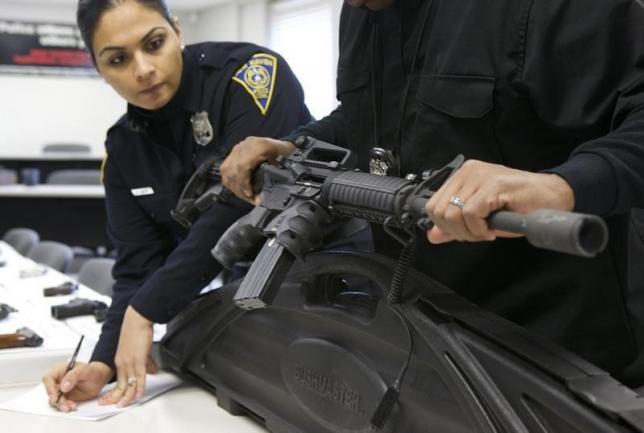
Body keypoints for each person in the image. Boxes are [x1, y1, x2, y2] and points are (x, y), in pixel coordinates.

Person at [221, 0, 644, 386]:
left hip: (565, 354)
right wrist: (298, 143)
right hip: (432, 342)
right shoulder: (361, 13)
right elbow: (369, 119)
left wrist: (559, 186)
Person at [42, 0, 311, 411]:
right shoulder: (123, 151)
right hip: (249, 301)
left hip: (330, 275)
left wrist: (147, 308)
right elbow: (137, 267)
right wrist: (101, 363)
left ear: (178, 31)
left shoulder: (247, 75)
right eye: (118, 59)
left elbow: (239, 205)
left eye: (154, 44)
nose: (143, 69)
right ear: (99, 69)